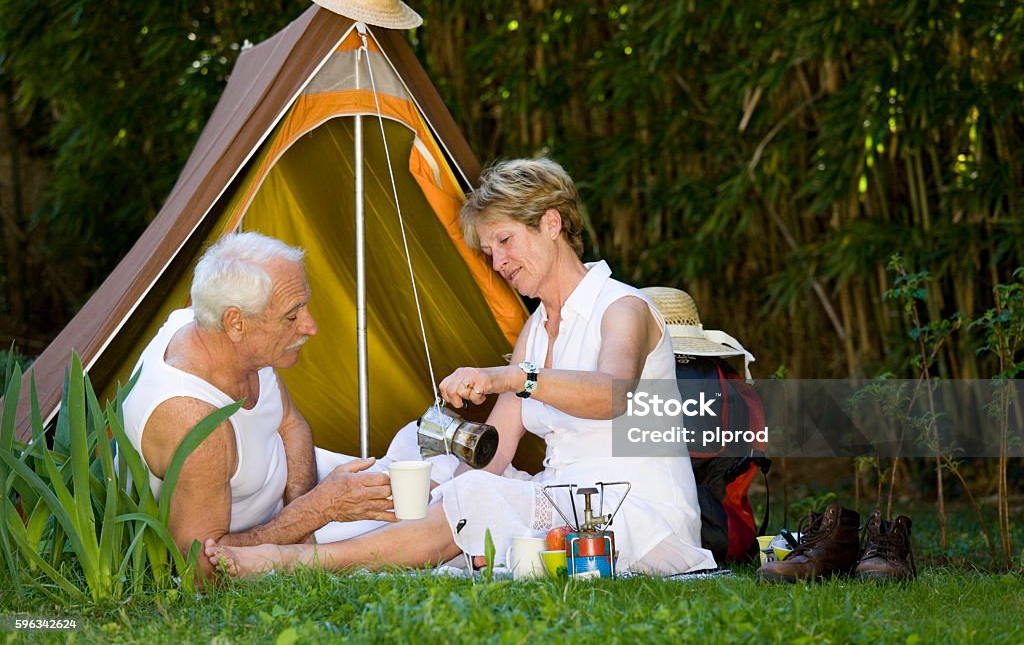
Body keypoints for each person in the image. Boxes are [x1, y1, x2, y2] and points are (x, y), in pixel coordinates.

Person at [205, 158, 716, 576]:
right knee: (431, 458)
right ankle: (299, 529)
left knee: (473, 494)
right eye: (489, 250)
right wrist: (431, 483)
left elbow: (612, 395)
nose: (498, 262)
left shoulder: (621, 307)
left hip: (636, 519)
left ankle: (293, 562)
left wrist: (514, 378)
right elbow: (495, 452)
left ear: (552, 223)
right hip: (563, 505)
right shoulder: (536, 331)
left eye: (505, 241)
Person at [122, 232, 397, 579]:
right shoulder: (194, 421)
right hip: (263, 544)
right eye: (291, 316)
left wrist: (303, 507)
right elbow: (199, 570)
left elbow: (290, 424)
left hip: (297, 509)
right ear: (235, 322)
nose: (310, 326)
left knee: (440, 484)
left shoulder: (217, 332)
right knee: (437, 524)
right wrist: (314, 513)